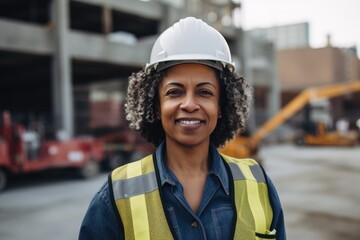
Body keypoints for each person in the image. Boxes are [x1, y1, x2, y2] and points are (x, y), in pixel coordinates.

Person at [79, 17, 286, 240]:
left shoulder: (259, 184)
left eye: (204, 92)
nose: (189, 104)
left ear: (221, 106)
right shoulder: (116, 195)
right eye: (175, 92)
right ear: (156, 106)